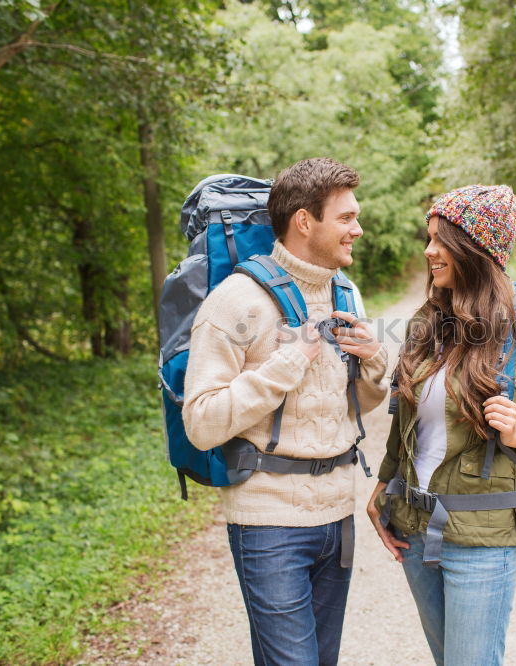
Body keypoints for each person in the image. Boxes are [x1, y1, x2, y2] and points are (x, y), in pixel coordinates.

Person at [366, 184, 516, 666]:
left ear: (476, 248)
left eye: (441, 239)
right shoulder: (427, 323)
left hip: (481, 541)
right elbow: (404, 417)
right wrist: (384, 484)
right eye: (428, 238)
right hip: (412, 528)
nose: (429, 250)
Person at [182, 157, 389, 666]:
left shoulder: (346, 294)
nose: (357, 230)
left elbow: (357, 406)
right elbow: (201, 423)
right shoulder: (235, 302)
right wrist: (288, 361)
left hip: (337, 516)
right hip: (268, 523)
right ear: (304, 221)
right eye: (345, 218)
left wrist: (374, 364)